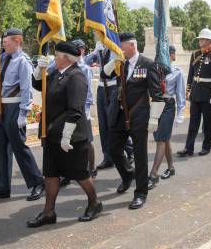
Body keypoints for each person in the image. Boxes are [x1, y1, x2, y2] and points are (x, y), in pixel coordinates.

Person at [27, 41, 101, 227]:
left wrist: (66, 136)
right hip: (52, 133)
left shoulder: (76, 76)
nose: (54, 58)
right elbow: (39, 85)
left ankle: (94, 203)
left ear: (66, 58)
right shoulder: (56, 73)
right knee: (50, 173)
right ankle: (49, 212)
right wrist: (39, 68)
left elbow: (75, 109)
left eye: (57, 55)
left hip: (71, 136)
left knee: (80, 174)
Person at [0, 28, 44, 202]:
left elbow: (26, 89)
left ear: (17, 41)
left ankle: (37, 182)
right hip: (1, 106)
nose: (3, 44)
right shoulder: (3, 57)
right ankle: (1, 187)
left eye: (5, 41)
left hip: (15, 106)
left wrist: (24, 113)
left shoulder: (23, 61)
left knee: (19, 147)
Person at [103, 32, 161, 209]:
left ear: (132, 46)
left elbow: (157, 94)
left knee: (140, 154)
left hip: (139, 116)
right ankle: (128, 175)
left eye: (122, 46)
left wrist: (154, 118)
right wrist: (114, 62)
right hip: (120, 114)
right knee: (113, 149)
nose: (119, 49)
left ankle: (141, 193)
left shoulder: (148, 64)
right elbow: (105, 75)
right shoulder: (121, 63)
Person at [84, 42, 134, 169]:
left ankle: (130, 150)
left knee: (113, 123)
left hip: (113, 87)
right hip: (101, 88)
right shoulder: (101, 48)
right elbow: (84, 63)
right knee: (103, 125)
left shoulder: (116, 48)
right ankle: (108, 157)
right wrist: (95, 52)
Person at [177, 28, 211, 157]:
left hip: (208, 94)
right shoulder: (195, 54)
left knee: (208, 123)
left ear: (209, 41)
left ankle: (206, 147)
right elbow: (191, 74)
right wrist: (188, 91)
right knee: (193, 123)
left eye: (202, 39)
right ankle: (188, 148)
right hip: (196, 93)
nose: (200, 41)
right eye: (200, 39)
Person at [148, 45, 186, 190]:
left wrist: (181, 113)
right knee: (164, 138)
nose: (172, 55)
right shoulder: (155, 70)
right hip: (156, 104)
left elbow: (181, 94)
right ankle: (171, 168)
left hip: (169, 105)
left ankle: (153, 174)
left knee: (161, 140)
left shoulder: (177, 72)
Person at [71, 39, 98, 178]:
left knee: (87, 140)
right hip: (70, 108)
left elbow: (88, 91)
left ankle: (92, 168)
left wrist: (87, 109)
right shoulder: (68, 64)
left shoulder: (85, 68)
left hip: (82, 107)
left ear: (81, 51)